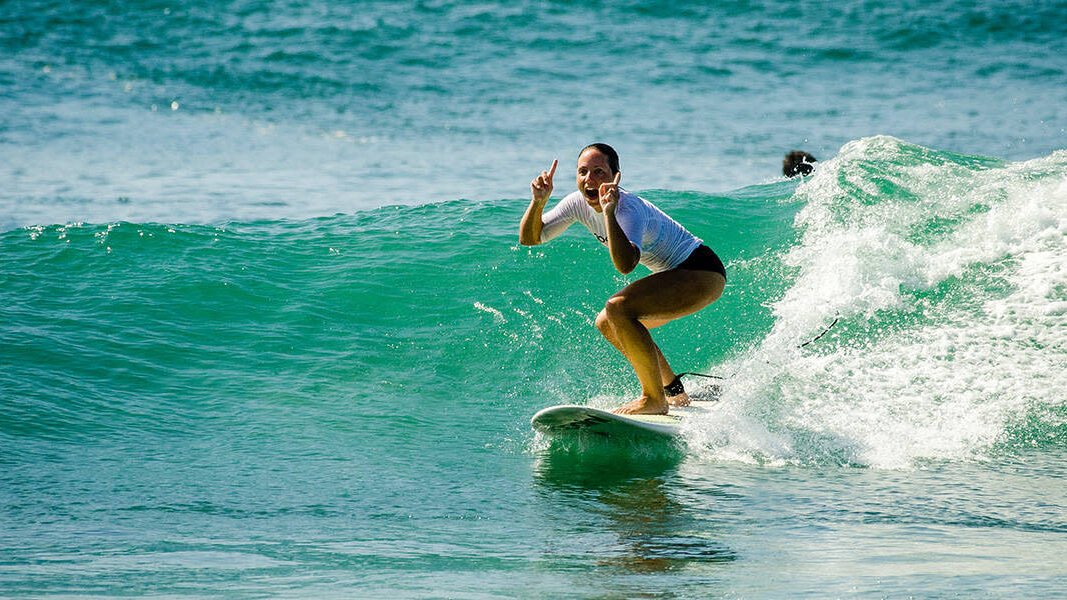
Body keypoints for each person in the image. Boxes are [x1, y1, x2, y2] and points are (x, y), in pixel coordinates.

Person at [519, 143, 726, 415]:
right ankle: (674, 392)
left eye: (599, 172)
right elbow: (530, 238)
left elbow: (625, 265)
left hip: (701, 270)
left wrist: (609, 212)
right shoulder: (576, 203)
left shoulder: (628, 209)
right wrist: (538, 202)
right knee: (607, 321)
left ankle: (653, 399)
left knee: (618, 308)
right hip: (676, 275)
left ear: (615, 176)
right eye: (582, 172)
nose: (589, 179)